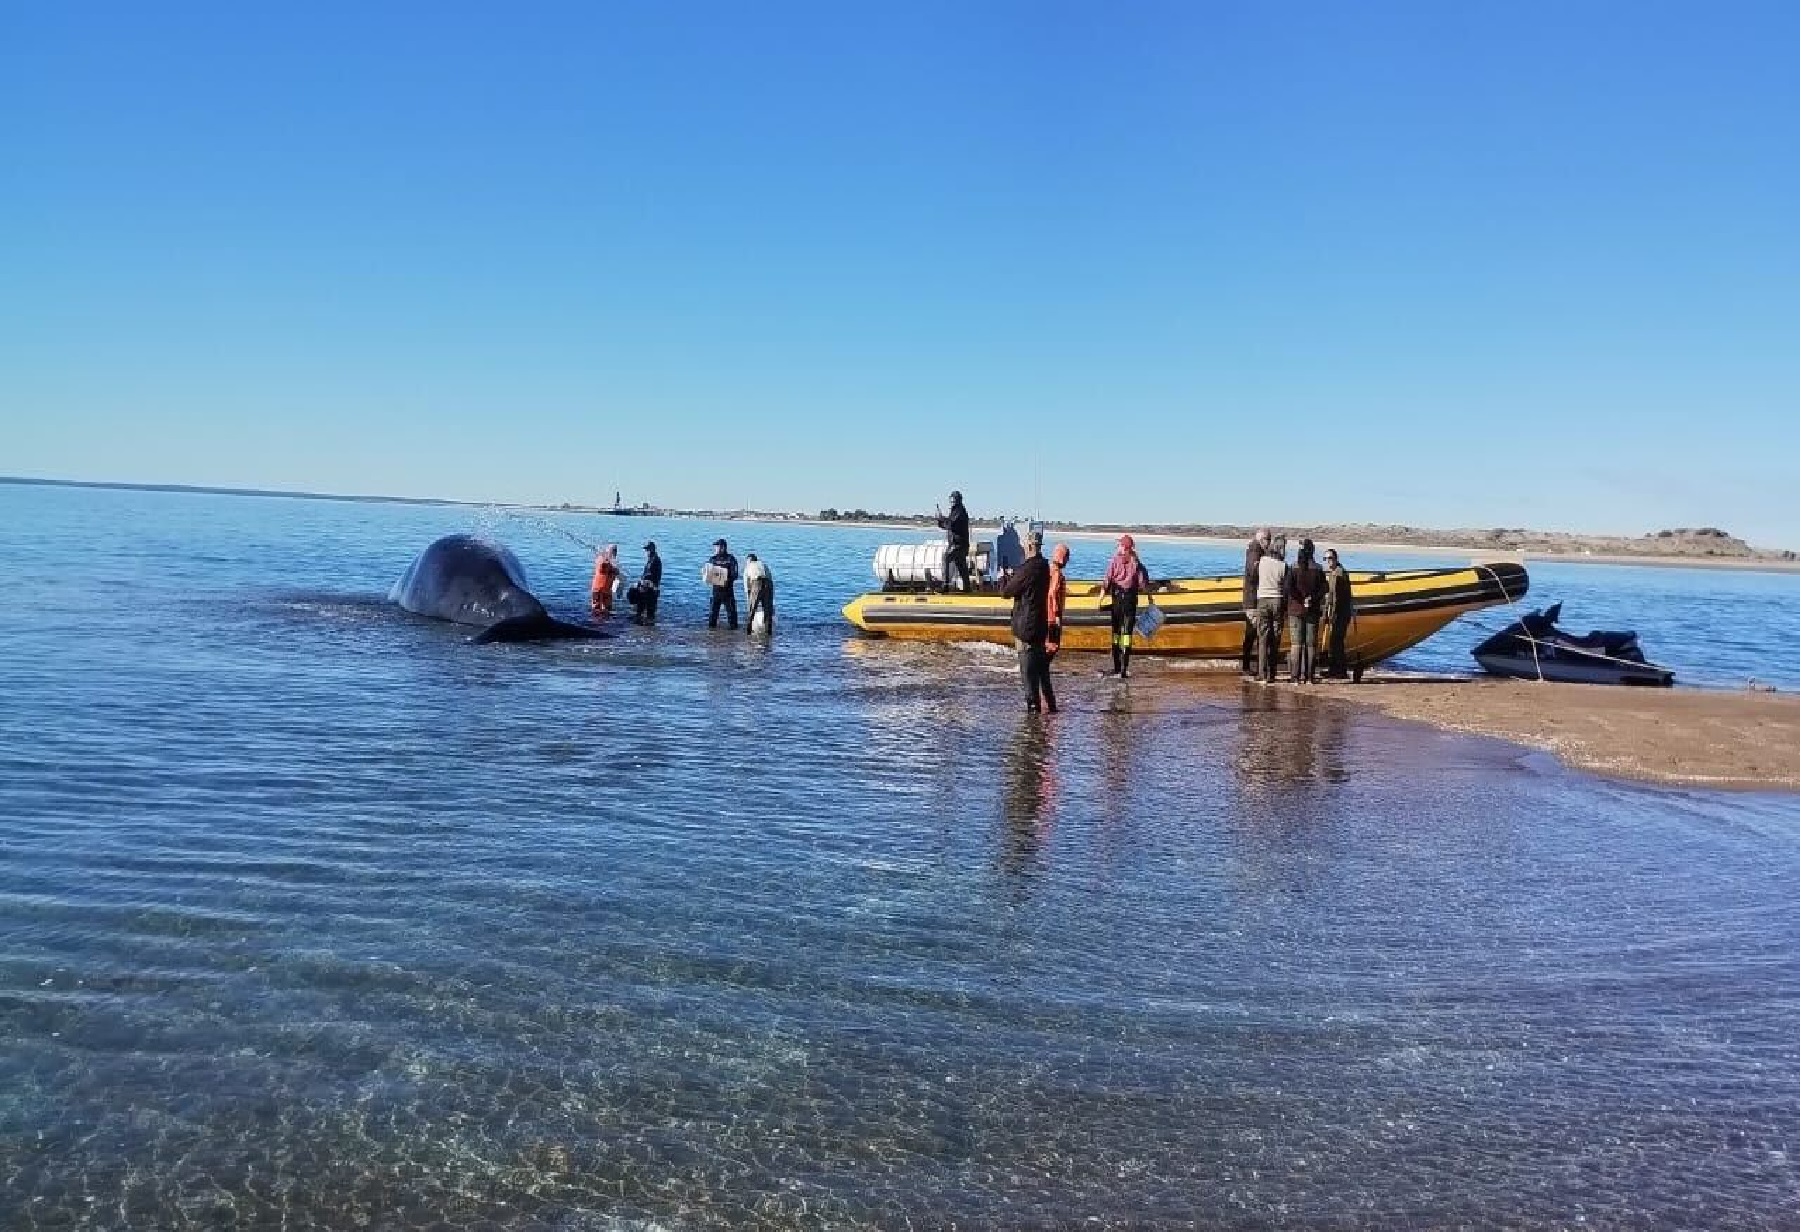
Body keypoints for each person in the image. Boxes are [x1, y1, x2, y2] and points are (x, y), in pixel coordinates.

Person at [1001, 531, 1056, 714]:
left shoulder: (1028, 569)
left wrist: (1006, 577)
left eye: (1025, 543)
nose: (1024, 546)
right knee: (1041, 675)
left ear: (1030, 546)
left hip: (1026, 630)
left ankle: (1032, 725)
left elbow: (1006, 592)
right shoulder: (1044, 566)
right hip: (1039, 628)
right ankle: (1049, 714)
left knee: (1028, 678)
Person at [1101, 534, 1153, 679]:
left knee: (1116, 633)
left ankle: (1117, 667)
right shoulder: (1137, 564)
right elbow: (1144, 585)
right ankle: (1124, 667)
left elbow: (1107, 581)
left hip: (1117, 601)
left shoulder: (1115, 561)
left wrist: (1100, 599)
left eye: (1119, 545)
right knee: (1127, 635)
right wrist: (1150, 598)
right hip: (1130, 602)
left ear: (1124, 547)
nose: (1117, 547)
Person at [1285, 538, 1327, 683]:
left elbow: (1288, 588)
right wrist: (1312, 599)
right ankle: (1309, 676)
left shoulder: (1293, 567)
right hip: (1312, 610)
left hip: (1296, 610)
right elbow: (1324, 588)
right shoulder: (1318, 568)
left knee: (1296, 644)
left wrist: (1301, 599)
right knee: (1310, 644)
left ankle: (1295, 677)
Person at [1254, 536, 1288, 683]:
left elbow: (1254, 577)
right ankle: (1272, 674)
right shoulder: (1284, 566)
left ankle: (1262, 672)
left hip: (1262, 600)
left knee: (1262, 637)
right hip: (1277, 600)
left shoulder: (1261, 561)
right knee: (1275, 638)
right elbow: (1286, 588)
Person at [1322, 547, 1356, 679]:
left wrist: (1330, 615)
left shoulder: (1339, 574)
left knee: (1336, 641)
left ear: (1336, 559)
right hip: (1338, 612)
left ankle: (1339, 670)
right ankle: (1336, 669)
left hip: (1340, 613)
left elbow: (1336, 597)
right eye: (1326, 559)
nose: (1328, 561)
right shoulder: (1333, 573)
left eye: (1330, 558)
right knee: (1335, 641)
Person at [1240, 528, 1270, 677]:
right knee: (1254, 633)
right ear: (1262, 539)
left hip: (1252, 599)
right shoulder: (1255, 552)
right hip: (1253, 600)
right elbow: (1253, 574)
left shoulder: (1255, 551)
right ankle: (1249, 666)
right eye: (1268, 539)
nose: (1269, 543)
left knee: (1253, 633)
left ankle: (1249, 665)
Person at [935, 490, 972, 592]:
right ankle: (967, 588)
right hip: (959, 544)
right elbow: (948, 526)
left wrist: (941, 518)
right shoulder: (955, 511)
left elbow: (951, 523)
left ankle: (945, 585)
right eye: (951, 500)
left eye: (953, 499)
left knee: (946, 558)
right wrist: (940, 522)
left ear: (957, 500)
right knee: (961, 566)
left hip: (958, 544)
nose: (951, 502)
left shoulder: (959, 511)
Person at [703, 538, 739, 629]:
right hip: (716, 591)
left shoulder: (731, 559)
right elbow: (707, 573)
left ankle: (732, 637)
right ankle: (712, 637)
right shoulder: (712, 559)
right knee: (712, 617)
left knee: (732, 618)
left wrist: (725, 577)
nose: (715, 549)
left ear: (723, 548)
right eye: (715, 547)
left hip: (728, 591)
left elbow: (735, 575)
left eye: (717, 547)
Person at [1045, 543, 1070, 660]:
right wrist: (1056, 615)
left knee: (1046, 644)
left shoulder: (1047, 570)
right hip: (1051, 616)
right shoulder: (1057, 574)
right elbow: (1053, 593)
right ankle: (1042, 671)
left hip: (1044, 613)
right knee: (1053, 645)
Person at [628, 540, 662, 624]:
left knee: (649, 615)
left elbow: (651, 578)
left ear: (653, 549)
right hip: (648, 590)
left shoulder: (655, 561)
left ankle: (648, 633)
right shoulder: (651, 560)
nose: (646, 551)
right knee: (644, 613)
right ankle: (646, 634)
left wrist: (639, 583)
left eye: (648, 549)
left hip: (650, 591)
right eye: (646, 550)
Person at [743, 552, 775, 635]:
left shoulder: (748, 567)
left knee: (752, 610)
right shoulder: (763, 564)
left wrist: (748, 600)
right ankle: (768, 633)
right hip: (768, 584)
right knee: (768, 612)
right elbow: (770, 578)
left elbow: (747, 586)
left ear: (749, 560)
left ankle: (748, 632)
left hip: (757, 582)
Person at [589, 544, 621, 617]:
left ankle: (606, 626)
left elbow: (616, 573)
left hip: (607, 590)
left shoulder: (612, 562)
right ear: (608, 551)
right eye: (613, 551)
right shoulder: (602, 559)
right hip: (598, 589)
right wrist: (613, 568)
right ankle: (595, 625)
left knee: (608, 610)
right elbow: (602, 566)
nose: (614, 553)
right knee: (596, 610)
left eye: (615, 552)